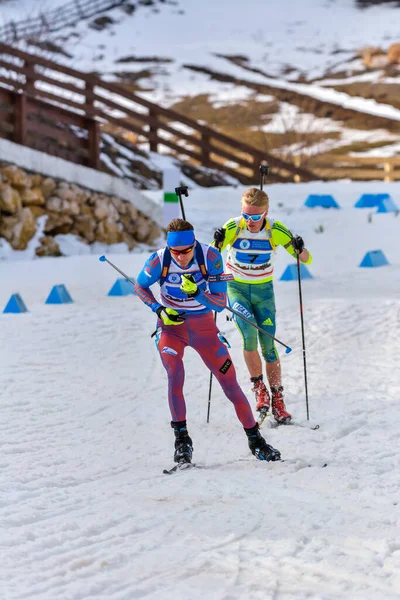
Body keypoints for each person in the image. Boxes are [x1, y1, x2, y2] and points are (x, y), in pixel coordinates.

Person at [134, 218, 281, 465]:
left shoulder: (211, 257)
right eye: (176, 252)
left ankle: (256, 440)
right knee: (175, 373)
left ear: (194, 244)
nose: (181, 257)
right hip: (172, 328)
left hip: (204, 328)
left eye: (186, 251)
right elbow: (140, 286)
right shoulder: (159, 260)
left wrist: (198, 293)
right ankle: (182, 441)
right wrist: (159, 310)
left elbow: (220, 303)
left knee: (229, 383)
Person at [213, 187, 312, 424]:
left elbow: (305, 258)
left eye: (256, 216)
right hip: (236, 289)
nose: (250, 221)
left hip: (263, 292)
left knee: (268, 344)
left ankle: (278, 398)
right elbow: (210, 257)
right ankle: (260, 390)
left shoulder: (275, 230)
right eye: (246, 215)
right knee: (248, 337)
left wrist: (299, 247)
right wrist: (217, 242)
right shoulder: (233, 227)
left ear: (265, 213)